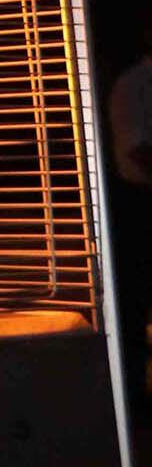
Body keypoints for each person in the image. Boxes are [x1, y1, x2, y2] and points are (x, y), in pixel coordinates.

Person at [108, 34, 152, 423]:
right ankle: (134, 400)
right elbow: (136, 149)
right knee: (135, 305)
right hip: (140, 207)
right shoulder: (134, 84)